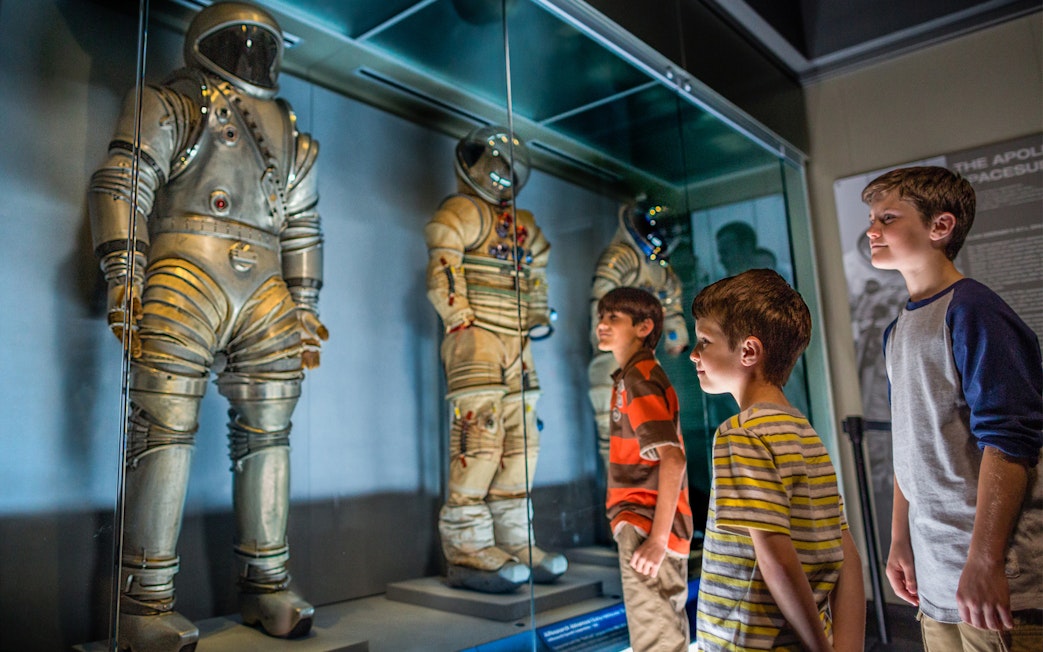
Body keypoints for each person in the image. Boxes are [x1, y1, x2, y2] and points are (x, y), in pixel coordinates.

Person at [87, 3, 326, 649]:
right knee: (162, 425)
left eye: (262, 44)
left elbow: (302, 226)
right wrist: (125, 273)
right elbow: (124, 182)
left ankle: (268, 583)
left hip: (265, 289)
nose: (251, 54)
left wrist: (305, 303)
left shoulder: (291, 134)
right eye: (238, 41)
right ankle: (143, 604)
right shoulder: (170, 102)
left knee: (269, 431)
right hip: (185, 271)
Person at [863, 166, 1042, 650]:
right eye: (872, 219)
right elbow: (908, 443)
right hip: (936, 579)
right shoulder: (897, 330)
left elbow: (1009, 440)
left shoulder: (974, 310)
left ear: (940, 226)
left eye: (887, 218)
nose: (872, 230)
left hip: (996, 579)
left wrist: (985, 560)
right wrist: (900, 539)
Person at [424, 125, 566, 593]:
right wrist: (459, 316)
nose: (499, 177)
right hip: (477, 335)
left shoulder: (523, 223)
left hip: (516, 337)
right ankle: (467, 545)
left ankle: (514, 539)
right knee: (479, 437)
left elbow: (538, 268)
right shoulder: (461, 211)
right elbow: (444, 263)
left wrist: (537, 312)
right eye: (492, 168)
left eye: (505, 170)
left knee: (524, 441)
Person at [691, 269, 865, 651]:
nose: (694, 354)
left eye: (704, 341)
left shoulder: (739, 435)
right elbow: (847, 554)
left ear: (748, 351)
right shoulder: (804, 432)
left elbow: (776, 558)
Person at [595, 287, 693, 652]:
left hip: (646, 523)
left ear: (644, 327)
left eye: (613, 317)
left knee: (657, 641)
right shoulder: (631, 375)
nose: (602, 324)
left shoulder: (639, 377)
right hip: (642, 522)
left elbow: (673, 458)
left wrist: (657, 540)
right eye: (601, 316)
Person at [588, 199, 689, 470]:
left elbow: (671, 303)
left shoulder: (660, 268)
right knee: (612, 433)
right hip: (612, 360)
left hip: (641, 356)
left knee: (645, 439)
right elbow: (600, 303)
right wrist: (604, 340)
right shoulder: (621, 258)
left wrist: (676, 336)